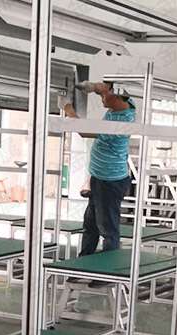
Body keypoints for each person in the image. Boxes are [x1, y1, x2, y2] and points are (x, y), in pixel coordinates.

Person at [60, 81, 136, 259]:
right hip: (100, 178)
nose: (101, 98)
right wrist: (91, 87)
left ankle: (109, 267)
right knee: (91, 224)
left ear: (117, 96)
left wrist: (68, 109)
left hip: (110, 182)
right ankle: (85, 261)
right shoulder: (126, 103)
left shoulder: (122, 123)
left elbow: (83, 131)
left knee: (107, 228)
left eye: (104, 96)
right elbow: (105, 88)